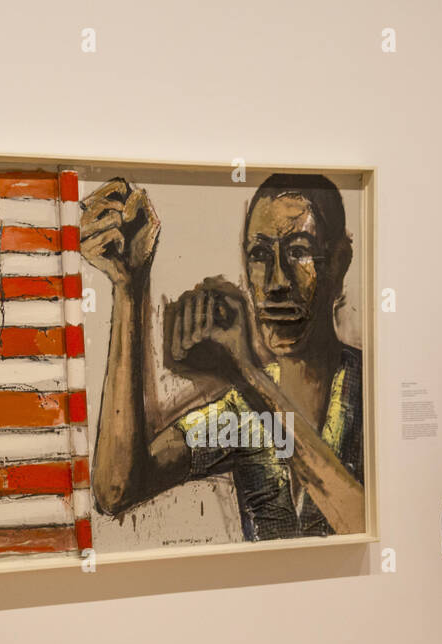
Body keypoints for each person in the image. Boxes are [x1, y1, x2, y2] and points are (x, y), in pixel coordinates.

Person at [79, 173, 365, 540]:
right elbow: (116, 489)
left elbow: (359, 521)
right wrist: (129, 288)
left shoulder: (367, 389)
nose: (277, 282)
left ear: (340, 262)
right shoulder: (241, 414)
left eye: (298, 250)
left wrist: (247, 372)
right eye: (260, 255)